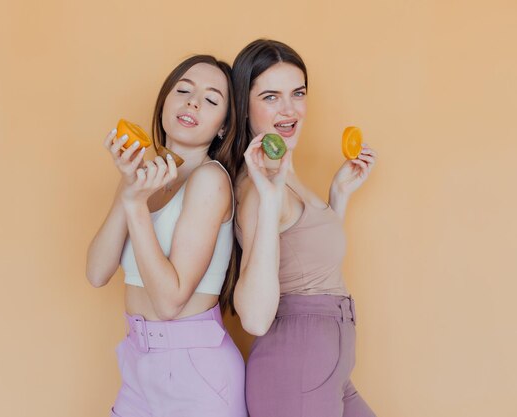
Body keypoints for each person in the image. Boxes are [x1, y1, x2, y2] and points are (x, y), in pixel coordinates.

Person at [86, 55, 247, 417]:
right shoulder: (141, 174)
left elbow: (170, 302)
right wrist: (129, 192)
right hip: (138, 368)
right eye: (184, 90)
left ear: (223, 126)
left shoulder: (210, 180)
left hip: (196, 375)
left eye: (210, 99)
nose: (192, 102)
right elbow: (97, 273)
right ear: (164, 103)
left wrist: (137, 206)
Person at [230, 39, 377, 417]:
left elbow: (307, 263)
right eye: (271, 97)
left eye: (297, 93)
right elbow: (256, 317)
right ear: (244, 106)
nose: (290, 109)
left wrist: (338, 196)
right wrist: (268, 195)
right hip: (298, 366)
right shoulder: (258, 189)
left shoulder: (287, 178)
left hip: (329, 364)